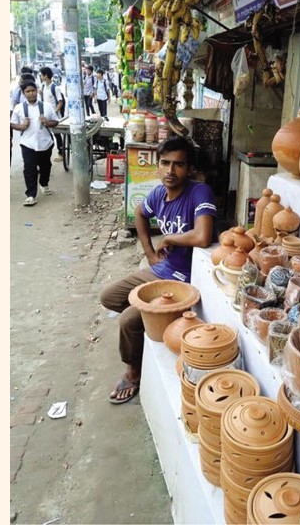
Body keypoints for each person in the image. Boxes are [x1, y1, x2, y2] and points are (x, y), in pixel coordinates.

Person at [100, 136, 216, 404]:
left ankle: (133, 370)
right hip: (160, 270)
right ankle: (150, 326)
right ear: (157, 165)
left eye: (178, 165)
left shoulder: (199, 192)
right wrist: (150, 254)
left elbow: (202, 236)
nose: (170, 171)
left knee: (128, 320)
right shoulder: (158, 193)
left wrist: (170, 238)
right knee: (109, 297)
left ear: (189, 169)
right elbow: (139, 213)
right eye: (165, 163)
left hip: (183, 282)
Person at [10, 80, 59, 206]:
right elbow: (12, 123)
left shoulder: (46, 106)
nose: (31, 94)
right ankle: (31, 194)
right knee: (29, 168)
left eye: (33, 91)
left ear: (37, 91)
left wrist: (47, 123)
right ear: (23, 93)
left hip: (45, 142)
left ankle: (44, 183)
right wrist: (21, 126)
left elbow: (55, 121)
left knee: (45, 166)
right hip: (27, 143)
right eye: (28, 91)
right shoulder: (19, 108)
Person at [39, 67, 67, 163]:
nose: (40, 76)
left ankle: (61, 153)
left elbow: (60, 102)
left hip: (54, 116)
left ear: (45, 75)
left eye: (41, 75)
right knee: (46, 134)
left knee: (57, 135)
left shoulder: (55, 88)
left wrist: (54, 112)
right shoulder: (43, 87)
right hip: (46, 116)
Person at [10, 69, 37, 164]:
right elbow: (13, 104)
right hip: (22, 119)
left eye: (21, 80)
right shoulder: (17, 90)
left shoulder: (36, 92)